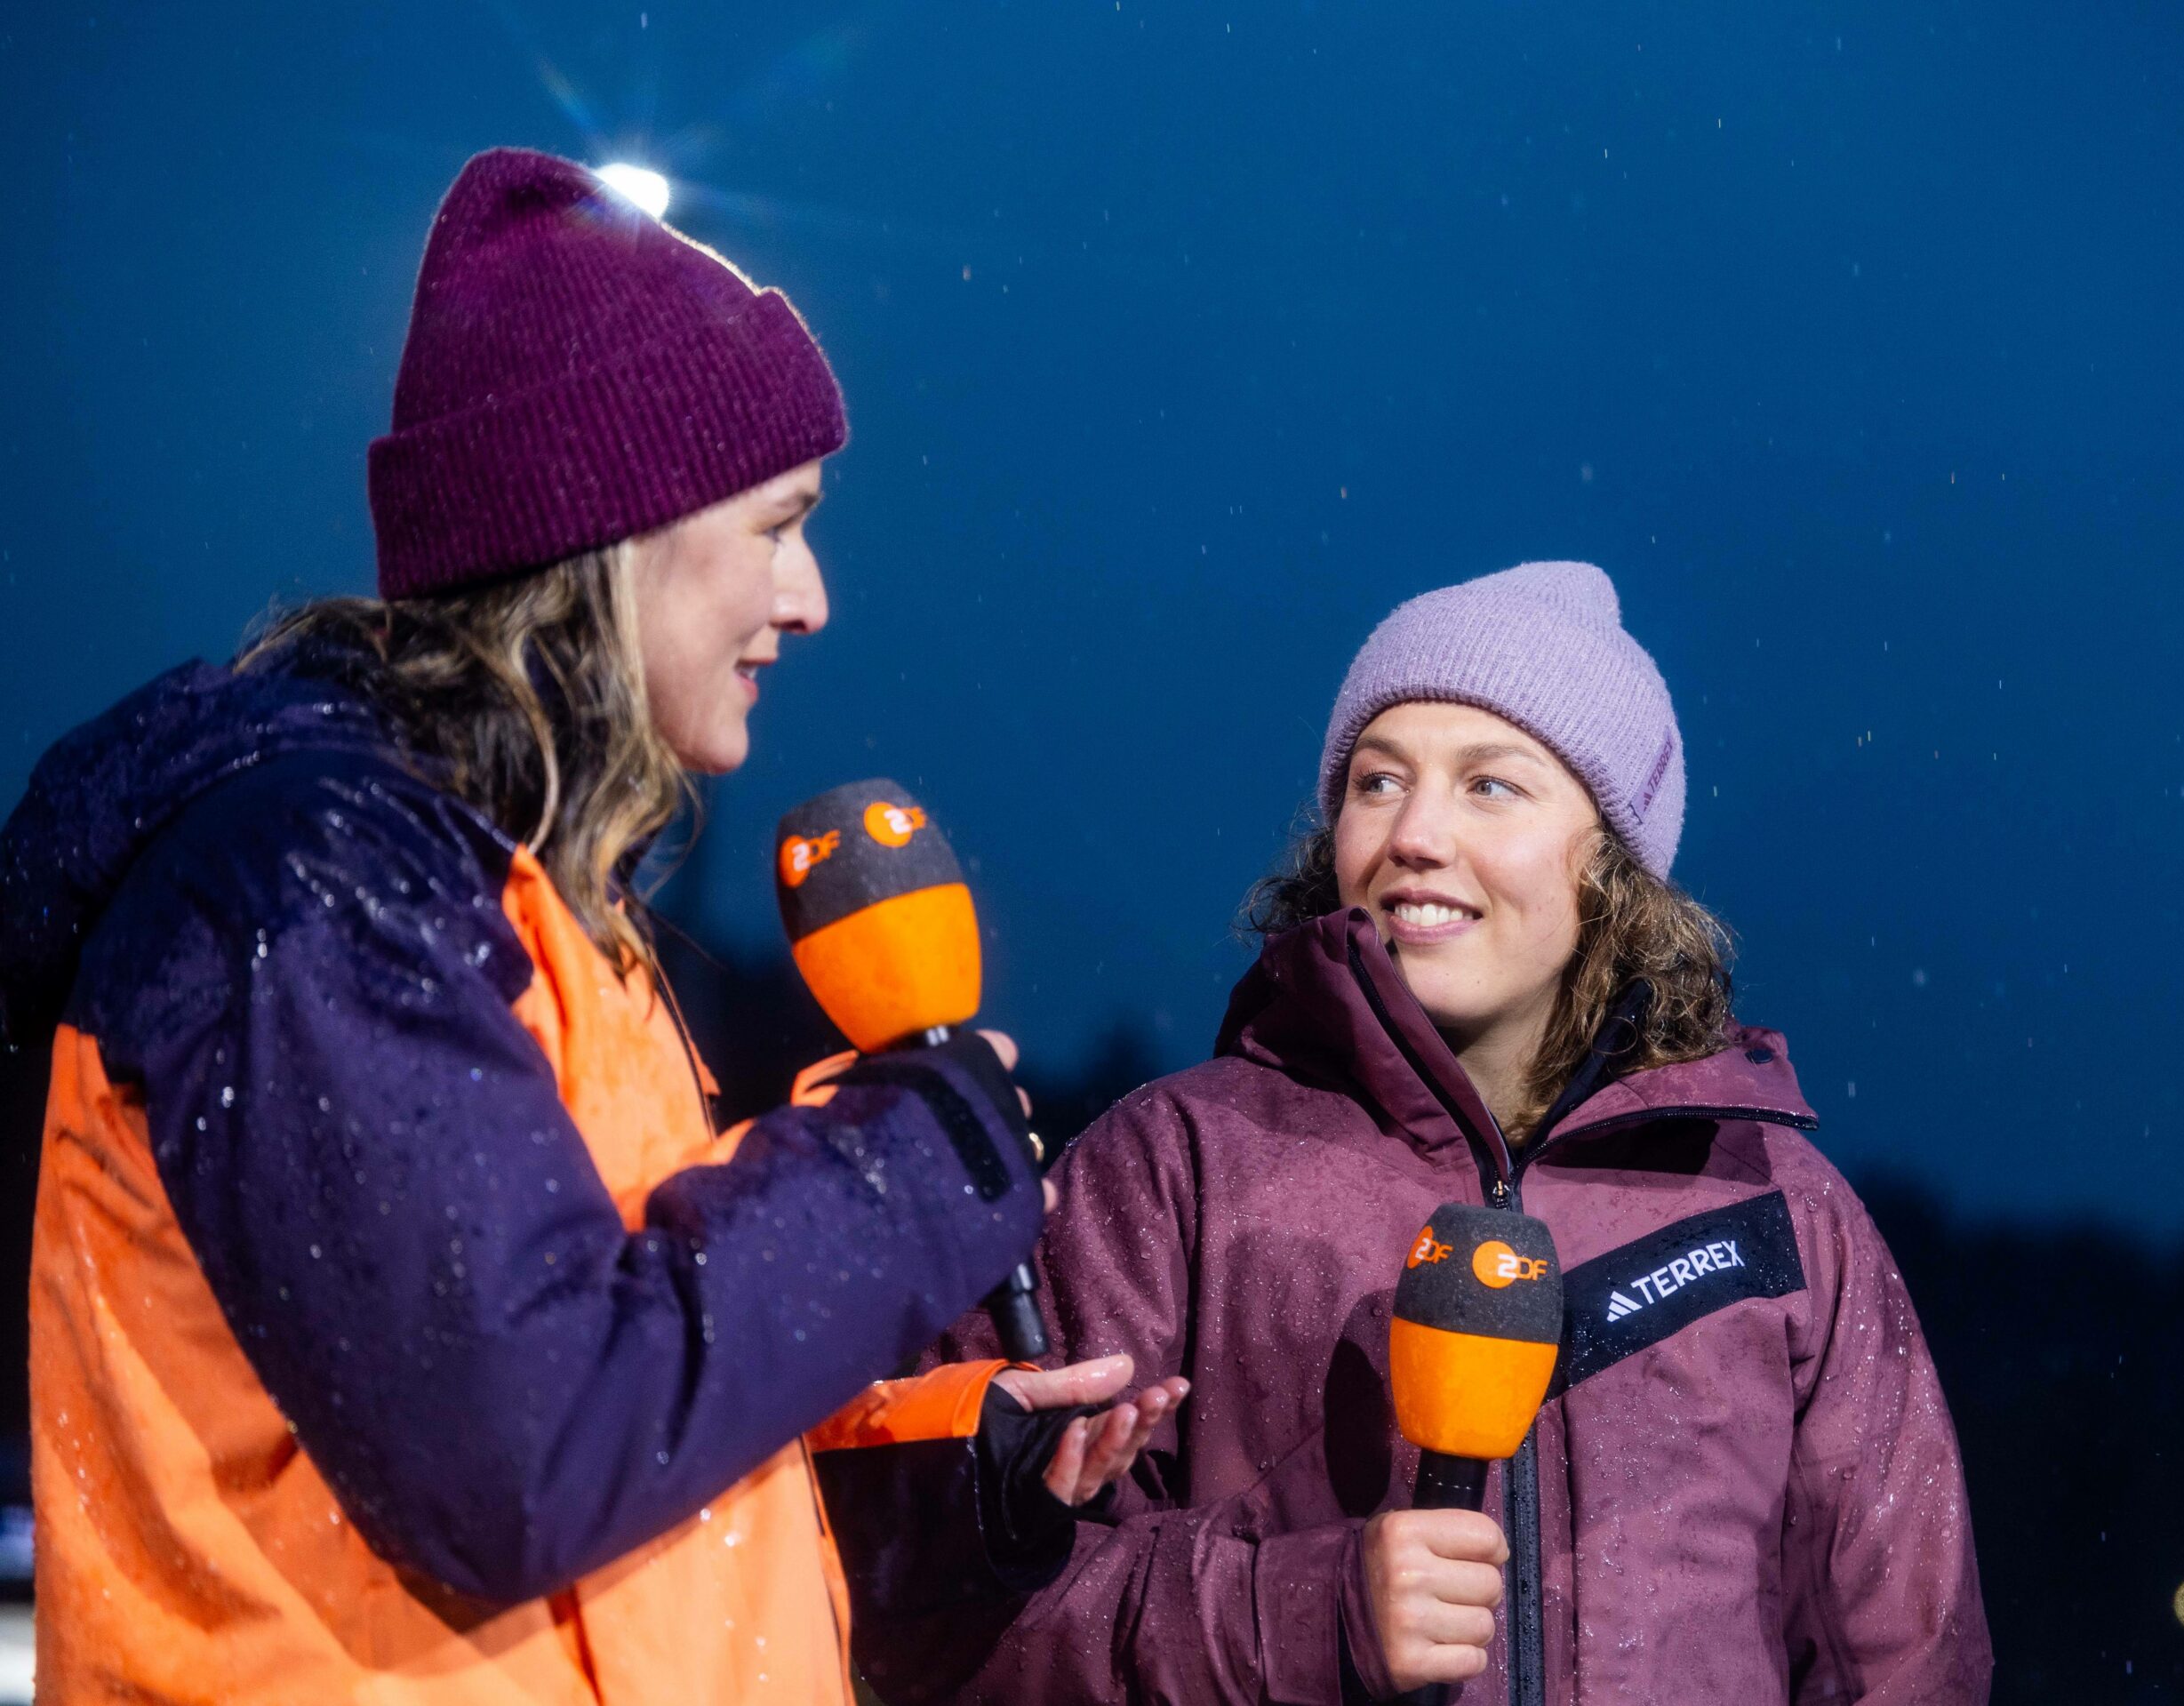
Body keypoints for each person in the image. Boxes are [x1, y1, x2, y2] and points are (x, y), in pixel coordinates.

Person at [0, 148, 1180, 1704]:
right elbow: (518, 1449)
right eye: (778, 522)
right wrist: (891, 1173)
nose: (812, 594)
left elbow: (644, 1500)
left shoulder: (537, 911)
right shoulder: (313, 880)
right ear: (618, 527)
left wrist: (973, 1472)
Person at [930, 562, 1993, 1703]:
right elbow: (953, 1618)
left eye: (1492, 786)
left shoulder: (1775, 1208)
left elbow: (1909, 1662)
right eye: (1378, 782)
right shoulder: (1176, 1167)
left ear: (1612, 866)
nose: (1415, 834)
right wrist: (1304, 1614)